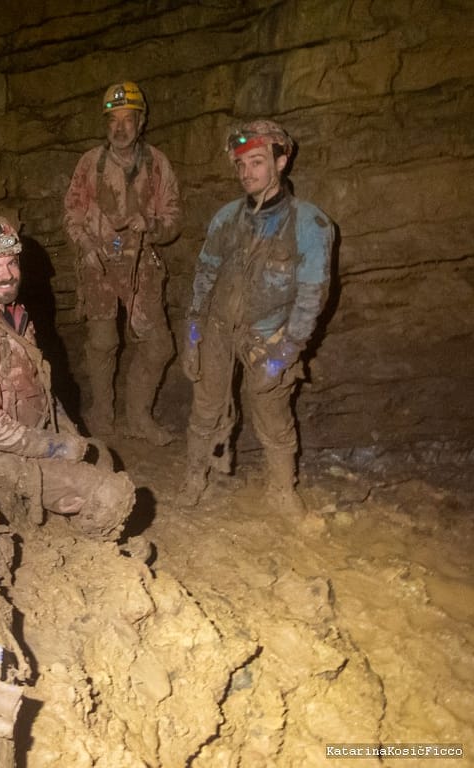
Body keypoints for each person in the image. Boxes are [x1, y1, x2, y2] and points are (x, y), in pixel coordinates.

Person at [0, 213, 134, 541]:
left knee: (102, 456)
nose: (8, 275)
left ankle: (73, 514)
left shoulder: (13, 316)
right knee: (112, 494)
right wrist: (56, 447)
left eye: (12, 263)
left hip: (31, 435)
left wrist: (70, 435)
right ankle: (89, 554)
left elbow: (41, 387)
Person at [177, 119, 334, 516]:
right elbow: (204, 277)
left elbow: (311, 297)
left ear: (282, 161)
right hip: (217, 330)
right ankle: (196, 475)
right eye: (241, 165)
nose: (248, 173)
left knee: (273, 415)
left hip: (270, 339)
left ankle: (281, 490)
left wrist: (284, 355)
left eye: (258, 162)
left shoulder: (310, 224)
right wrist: (193, 334)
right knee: (206, 407)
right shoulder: (227, 218)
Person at [64, 80, 182, 445]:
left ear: (141, 122)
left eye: (127, 120)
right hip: (99, 261)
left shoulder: (157, 163)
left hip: (140, 264)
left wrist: (154, 225)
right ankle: (102, 416)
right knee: (102, 342)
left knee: (159, 344)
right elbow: (73, 213)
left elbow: (174, 216)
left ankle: (138, 418)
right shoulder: (90, 163)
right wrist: (85, 246)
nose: (119, 128)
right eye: (112, 120)